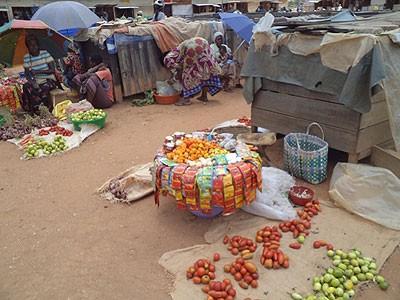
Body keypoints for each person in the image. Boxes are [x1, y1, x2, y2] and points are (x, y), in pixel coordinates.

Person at [163, 37, 222, 106]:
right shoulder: (176, 51)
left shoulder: (167, 60)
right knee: (205, 69)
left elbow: (180, 70)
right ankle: (204, 96)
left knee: (186, 75)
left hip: (193, 48)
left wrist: (173, 80)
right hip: (202, 43)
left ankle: (186, 99)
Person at [22, 34, 58, 113]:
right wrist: (32, 82)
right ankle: (34, 110)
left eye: (35, 45)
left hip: (48, 79)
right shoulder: (27, 57)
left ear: (38, 45)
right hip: (36, 80)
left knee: (43, 89)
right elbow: (27, 74)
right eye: (30, 46)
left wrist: (37, 71)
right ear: (28, 47)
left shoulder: (45, 53)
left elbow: (52, 70)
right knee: (26, 87)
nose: (33, 47)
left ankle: (48, 110)